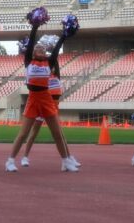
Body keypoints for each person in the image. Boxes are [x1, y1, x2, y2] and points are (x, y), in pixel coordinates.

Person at [5, 24, 78, 172]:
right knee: (24, 133)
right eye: (38, 48)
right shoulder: (28, 62)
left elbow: (57, 48)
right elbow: (31, 42)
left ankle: (65, 161)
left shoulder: (49, 62)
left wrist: (64, 34)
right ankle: (10, 161)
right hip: (33, 99)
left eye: (43, 49)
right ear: (33, 52)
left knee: (56, 133)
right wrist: (35, 27)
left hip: (46, 99)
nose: (41, 50)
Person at [20, 34, 80, 168]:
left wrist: (53, 48)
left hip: (53, 105)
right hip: (42, 102)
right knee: (33, 132)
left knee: (59, 133)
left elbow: (55, 58)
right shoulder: (44, 71)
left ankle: (68, 158)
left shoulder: (56, 74)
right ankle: (25, 156)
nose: (52, 68)